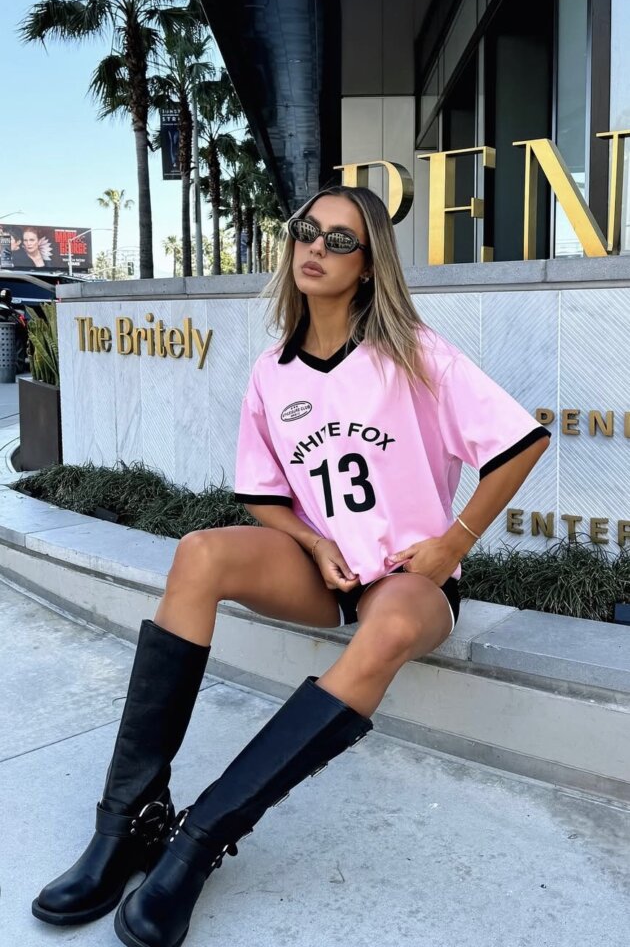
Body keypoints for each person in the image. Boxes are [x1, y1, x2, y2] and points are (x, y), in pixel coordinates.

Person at [32, 185, 551, 947]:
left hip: (409, 579)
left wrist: (451, 544)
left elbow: (521, 443)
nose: (316, 248)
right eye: (307, 231)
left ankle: (199, 840)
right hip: (329, 574)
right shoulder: (273, 372)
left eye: (340, 240)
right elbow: (264, 494)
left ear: (369, 264)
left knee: (389, 627)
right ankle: (128, 822)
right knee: (200, 553)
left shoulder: (413, 351)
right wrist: (310, 541)